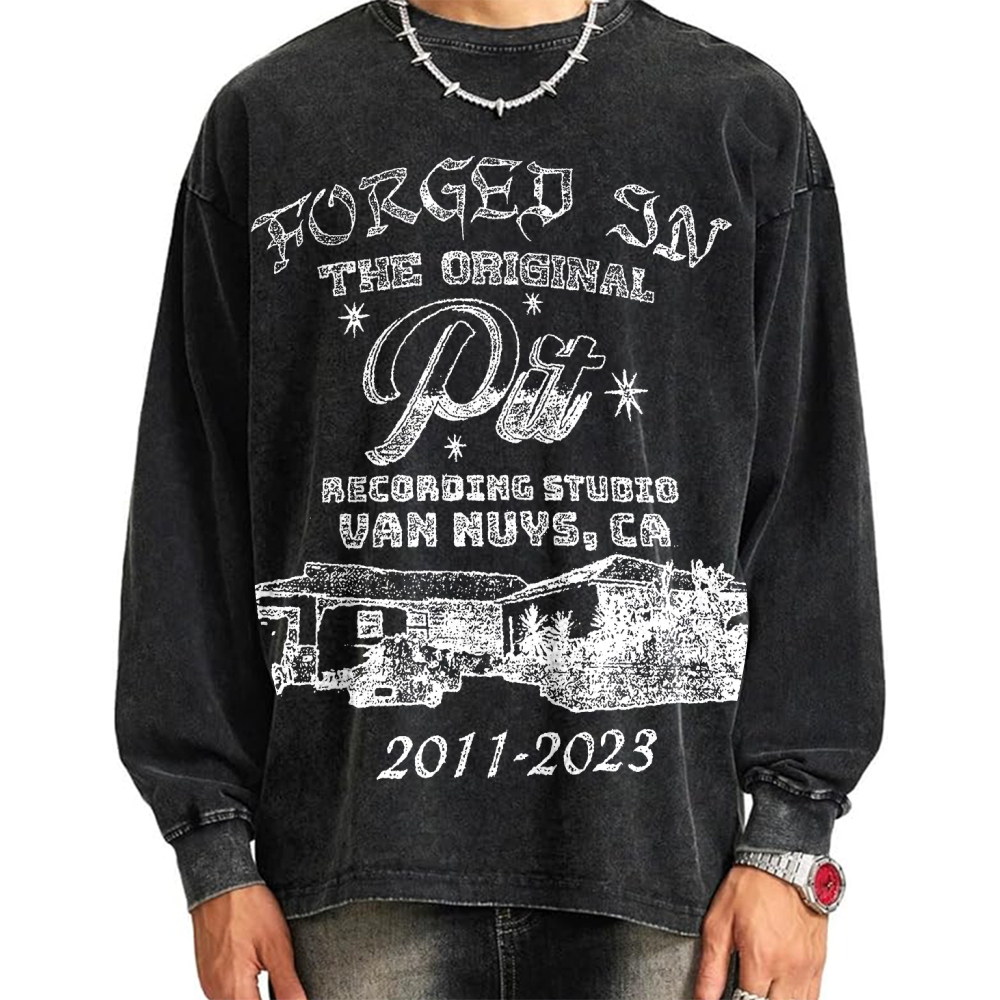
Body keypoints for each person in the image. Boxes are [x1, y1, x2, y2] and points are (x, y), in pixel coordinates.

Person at [114, 1, 885, 998]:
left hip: (663, 883)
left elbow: (812, 490)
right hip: (351, 884)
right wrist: (212, 850)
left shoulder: (737, 117)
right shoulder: (272, 118)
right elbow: (191, 496)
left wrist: (791, 841)